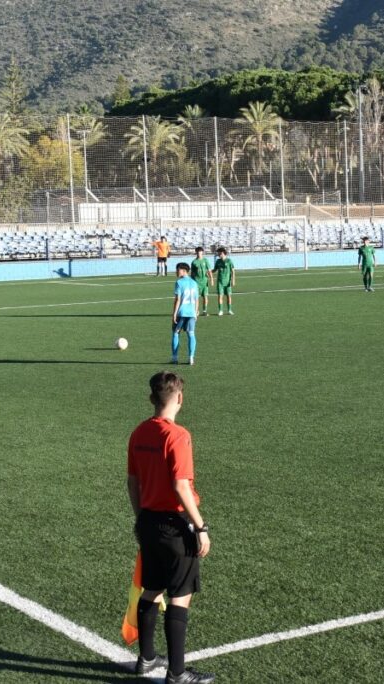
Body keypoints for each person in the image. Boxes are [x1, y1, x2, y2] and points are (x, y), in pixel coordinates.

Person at [127, 371, 215, 684]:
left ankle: (147, 659)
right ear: (179, 398)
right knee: (180, 596)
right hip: (175, 526)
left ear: (152, 398)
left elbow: (133, 482)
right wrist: (201, 526)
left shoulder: (139, 432)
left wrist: (141, 518)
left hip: (148, 522)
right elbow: (180, 486)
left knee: (151, 589)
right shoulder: (178, 436)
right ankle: (177, 674)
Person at [172, 262, 200, 366]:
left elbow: (178, 299)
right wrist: (196, 312)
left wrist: (174, 313)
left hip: (181, 313)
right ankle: (191, 358)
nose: (176, 271)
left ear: (183, 270)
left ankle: (175, 358)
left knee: (176, 333)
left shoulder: (179, 282)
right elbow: (197, 300)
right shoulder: (194, 283)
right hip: (192, 313)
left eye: (177, 269)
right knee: (191, 334)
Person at [190, 247, 214, 315]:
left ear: (202, 252)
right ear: (196, 253)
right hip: (196, 282)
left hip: (204, 281)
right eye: (197, 252)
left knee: (205, 296)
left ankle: (204, 311)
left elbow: (209, 270)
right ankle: (196, 310)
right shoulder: (194, 262)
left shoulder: (205, 260)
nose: (199, 253)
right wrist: (191, 282)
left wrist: (211, 279)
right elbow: (192, 273)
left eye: (200, 252)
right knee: (196, 297)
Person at [212, 247, 236, 315]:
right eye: (218, 253)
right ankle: (220, 310)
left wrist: (233, 280)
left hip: (227, 282)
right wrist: (209, 272)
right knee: (220, 296)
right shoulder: (218, 261)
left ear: (223, 253)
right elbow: (214, 270)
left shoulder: (229, 261)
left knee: (229, 296)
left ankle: (229, 310)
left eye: (220, 253)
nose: (219, 254)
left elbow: (233, 271)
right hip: (220, 282)